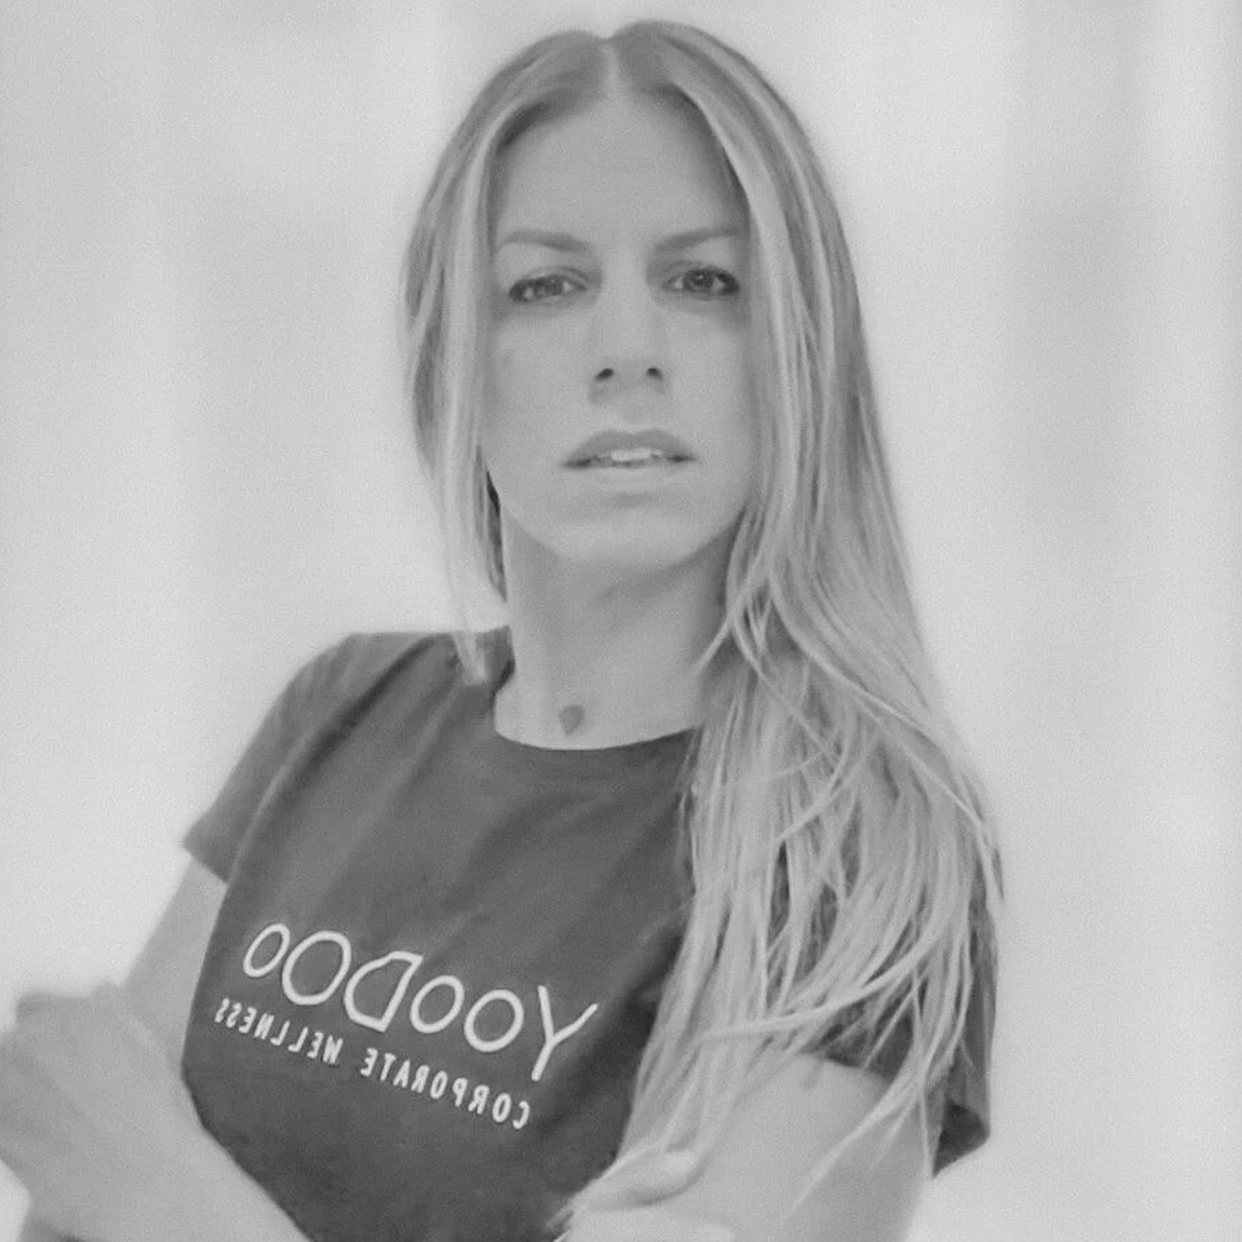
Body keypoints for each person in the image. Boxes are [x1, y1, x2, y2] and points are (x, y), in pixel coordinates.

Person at [0, 18, 1002, 1242]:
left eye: (704, 282)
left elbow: (100, 1157)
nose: (626, 351)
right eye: (546, 285)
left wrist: (156, 1186)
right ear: (453, 362)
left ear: (798, 350)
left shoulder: (859, 850)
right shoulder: (341, 709)